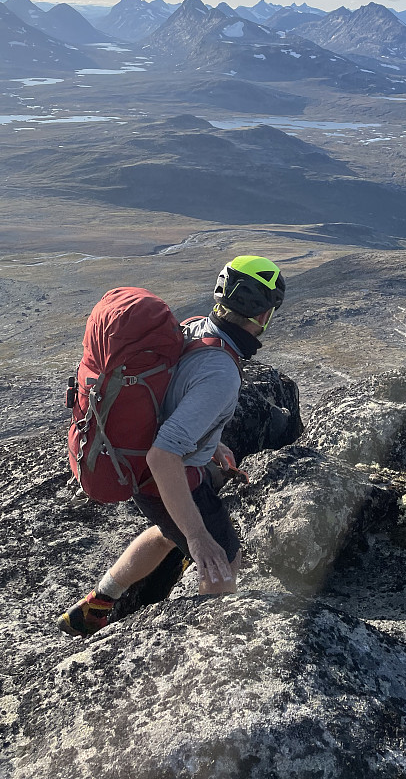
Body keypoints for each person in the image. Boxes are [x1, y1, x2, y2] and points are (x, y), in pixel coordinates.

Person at [57, 254, 286, 638]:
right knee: (221, 561)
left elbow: (170, 397)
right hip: (165, 476)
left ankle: (96, 605)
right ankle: (208, 649)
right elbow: (164, 456)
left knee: (168, 531)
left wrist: (212, 444)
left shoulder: (195, 326)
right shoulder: (221, 373)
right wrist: (197, 537)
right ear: (263, 316)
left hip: (147, 469)